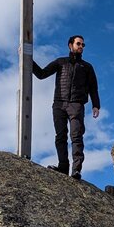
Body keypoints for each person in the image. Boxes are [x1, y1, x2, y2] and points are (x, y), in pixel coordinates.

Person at [32, 35, 100, 180]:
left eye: (83, 44)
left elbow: (93, 88)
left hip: (76, 104)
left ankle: (76, 170)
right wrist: (27, 59)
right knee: (60, 137)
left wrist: (96, 105)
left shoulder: (87, 67)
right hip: (59, 104)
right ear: (70, 45)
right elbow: (42, 74)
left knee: (76, 136)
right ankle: (63, 167)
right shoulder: (60, 62)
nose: (81, 46)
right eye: (78, 44)